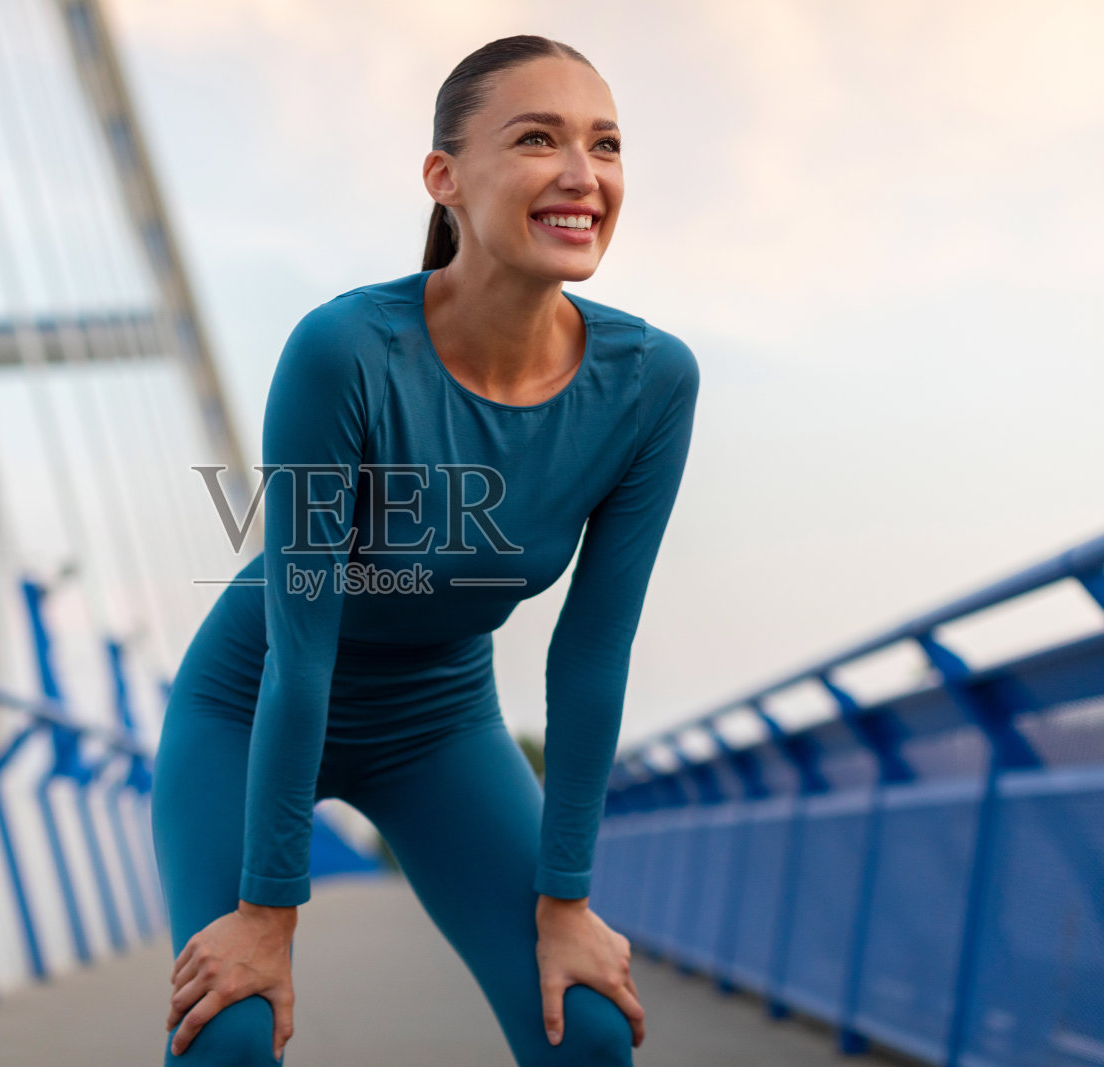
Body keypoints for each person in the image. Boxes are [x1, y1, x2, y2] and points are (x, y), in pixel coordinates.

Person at [152, 33, 699, 1066]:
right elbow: (299, 648)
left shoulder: (651, 381)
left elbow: (590, 656)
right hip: (250, 699)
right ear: (444, 179)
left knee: (581, 1029)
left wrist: (567, 899)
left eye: (607, 145)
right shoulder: (345, 350)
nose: (582, 175)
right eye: (538, 139)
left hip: (439, 723)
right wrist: (269, 912)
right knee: (224, 1033)